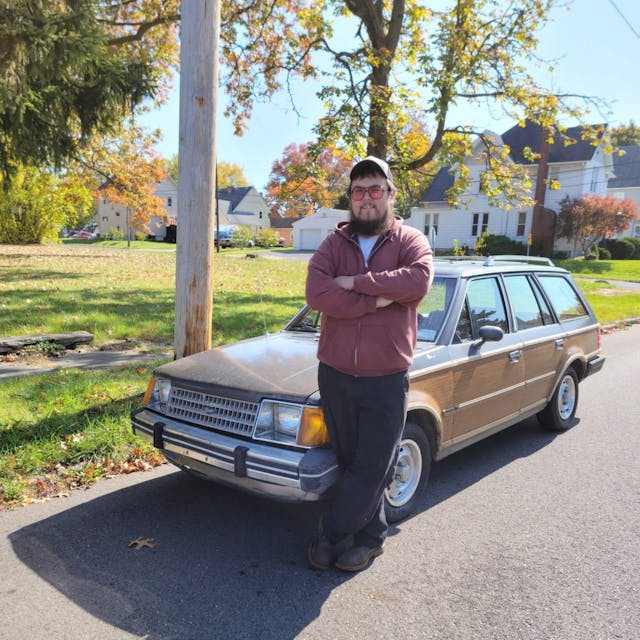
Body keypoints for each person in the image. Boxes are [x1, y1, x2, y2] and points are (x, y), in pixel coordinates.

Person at [305, 156, 434, 572]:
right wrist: (380, 301)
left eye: (375, 189)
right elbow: (317, 294)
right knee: (350, 460)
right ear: (350, 197)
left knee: (374, 464)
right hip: (336, 372)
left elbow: (416, 281)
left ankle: (332, 532)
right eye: (359, 191)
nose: (366, 199)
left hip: (386, 375)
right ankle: (371, 537)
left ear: (391, 194)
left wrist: (357, 285)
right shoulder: (332, 244)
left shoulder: (411, 240)